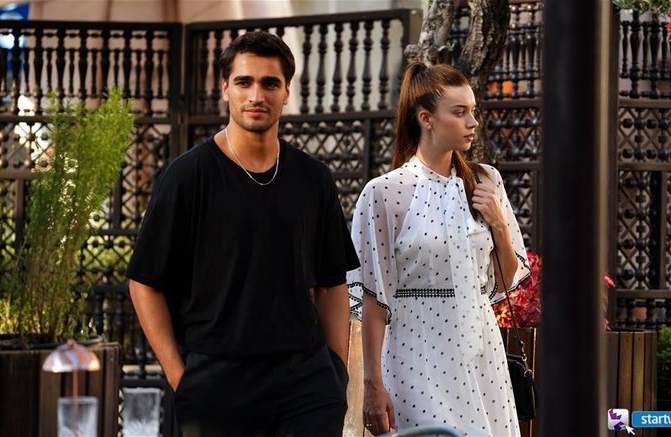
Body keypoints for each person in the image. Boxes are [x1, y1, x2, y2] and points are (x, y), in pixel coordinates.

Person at [126, 31, 360, 436]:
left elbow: (331, 282)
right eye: (244, 82)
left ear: (286, 92)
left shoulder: (313, 178)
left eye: (270, 83)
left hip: (306, 384)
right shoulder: (189, 175)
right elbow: (144, 282)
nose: (256, 95)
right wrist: (181, 377)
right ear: (225, 89)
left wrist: (335, 372)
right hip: (216, 383)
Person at [347, 62, 531, 437]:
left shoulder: (487, 180)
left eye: (473, 111)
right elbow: (374, 298)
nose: (472, 122)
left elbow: (504, 281)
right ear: (426, 119)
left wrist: (498, 225)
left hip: (482, 352)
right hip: (415, 353)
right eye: (459, 112)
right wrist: (372, 383)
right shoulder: (383, 193)